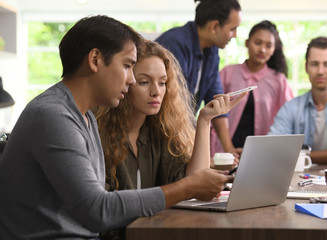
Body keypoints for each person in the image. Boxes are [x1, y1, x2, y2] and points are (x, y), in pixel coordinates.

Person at [0, 15, 234, 239]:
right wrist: (186, 188)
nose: (131, 79)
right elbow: (98, 211)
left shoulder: (85, 117)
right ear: (95, 60)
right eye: (127, 65)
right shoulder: (52, 115)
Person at [94, 40, 246, 191]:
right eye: (144, 82)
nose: (156, 92)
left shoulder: (162, 130)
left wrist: (205, 120)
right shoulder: (97, 132)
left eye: (162, 83)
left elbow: (195, 181)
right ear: (126, 82)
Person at [156, 0, 243, 157]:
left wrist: (229, 150)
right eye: (233, 29)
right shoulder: (175, 44)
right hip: (160, 136)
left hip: (178, 136)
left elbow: (217, 100)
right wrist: (196, 156)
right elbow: (174, 107)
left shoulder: (212, 52)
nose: (235, 35)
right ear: (215, 26)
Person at [210, 20, 293, 158]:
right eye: (258, 42)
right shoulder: (227, 73)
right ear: (247, 43)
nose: (262, 49)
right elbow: (213, 111)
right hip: (224, 150)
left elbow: (287, 118)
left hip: (263, 155)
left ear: (274, 49)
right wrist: (228, 148)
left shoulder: (278, 80)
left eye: (269, 45)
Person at [268, 36, 327, 164]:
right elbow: (273, 146)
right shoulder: (291, 107)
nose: (320, 71)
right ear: (306, 67)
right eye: (314, 64)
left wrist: (302, 156)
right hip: (302, 180)